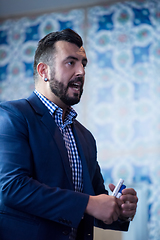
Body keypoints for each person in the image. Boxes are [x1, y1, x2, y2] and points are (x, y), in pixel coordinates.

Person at [0, 28, 138, 240]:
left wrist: (118, 209)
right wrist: (89, 203)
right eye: (71, 62)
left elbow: (93, 202)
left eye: (83, 63)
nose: (81, 71)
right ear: (44, 71)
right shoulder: (13, 115)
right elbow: (12, 188)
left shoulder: (86, 137)